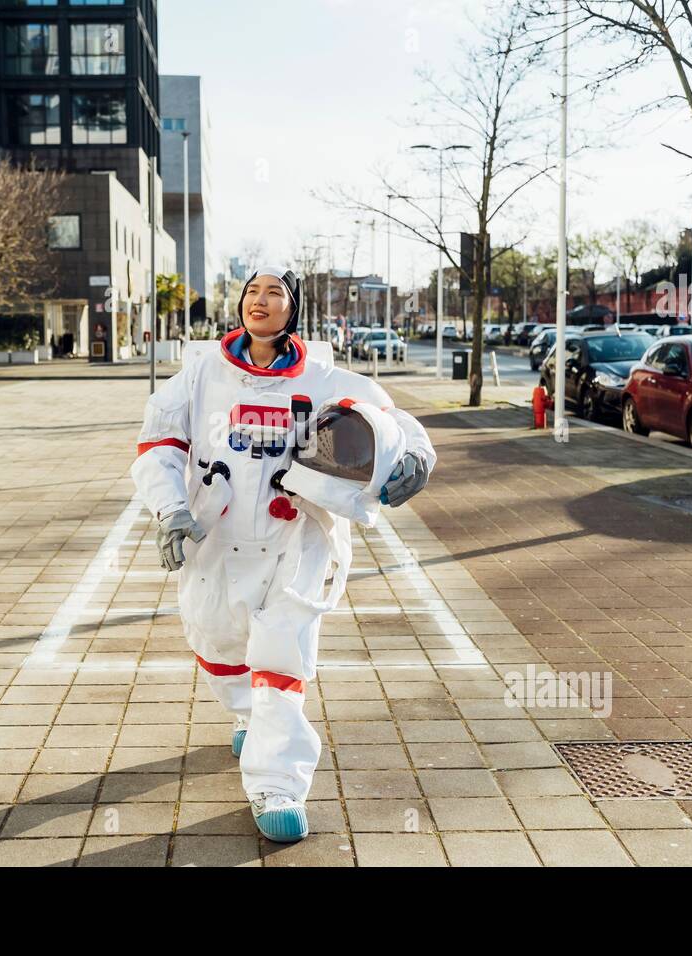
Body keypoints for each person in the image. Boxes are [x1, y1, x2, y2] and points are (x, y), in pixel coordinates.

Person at [130, 265, 436, 843]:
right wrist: (169, 507)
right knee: (218, 643)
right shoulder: (201, 375)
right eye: (252, 291)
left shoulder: (322, 377)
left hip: (294, 541)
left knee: (281, 658)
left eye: (274, 293)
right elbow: (159, 441)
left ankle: (277, 783)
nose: (260, 300)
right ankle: (248, 710)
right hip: (216, 539)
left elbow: (395, 421)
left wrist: (415, 460)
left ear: (292, 307)